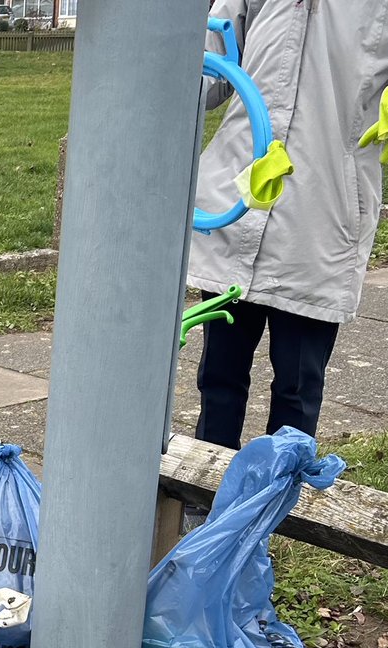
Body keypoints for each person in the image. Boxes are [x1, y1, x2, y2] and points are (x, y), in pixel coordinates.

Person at [188, 0, 388, 452]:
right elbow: (206, 72)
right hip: (236, 201)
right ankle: (204, 508)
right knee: (218, 378)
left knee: (297, 392)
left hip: (319, 216)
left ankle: (274, 510)